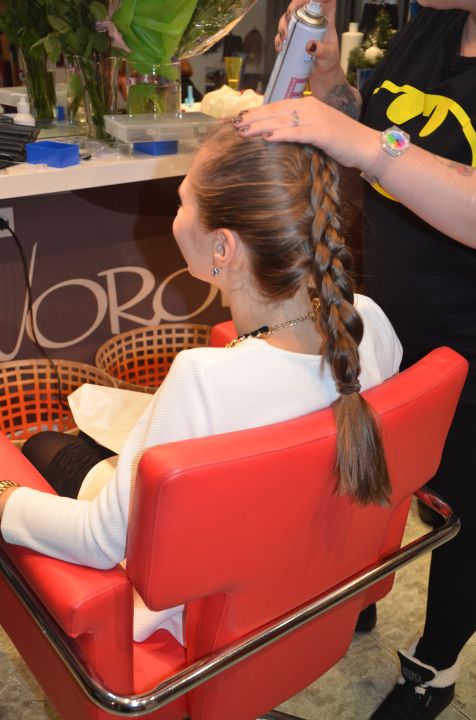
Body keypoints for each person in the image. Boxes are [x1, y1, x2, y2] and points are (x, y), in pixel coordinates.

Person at [0, 123, 402, 647]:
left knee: (41, 446)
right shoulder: (369, 321)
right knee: (88, 446)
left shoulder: (203, 381)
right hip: (311, 575)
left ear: (222, 246)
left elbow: (98, 539)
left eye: (181, 203)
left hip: (207, 611)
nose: (176, 216)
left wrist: (5, 495)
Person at [232, 0, 476, 718]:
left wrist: (368, 148)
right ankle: (358, 592)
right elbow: (375, 122)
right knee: (375, 475)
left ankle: (435, 664)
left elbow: (378, 148)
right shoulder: (433, 24)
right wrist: (331, 80)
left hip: (468, 340)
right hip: (389, 317)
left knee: (464, 513)